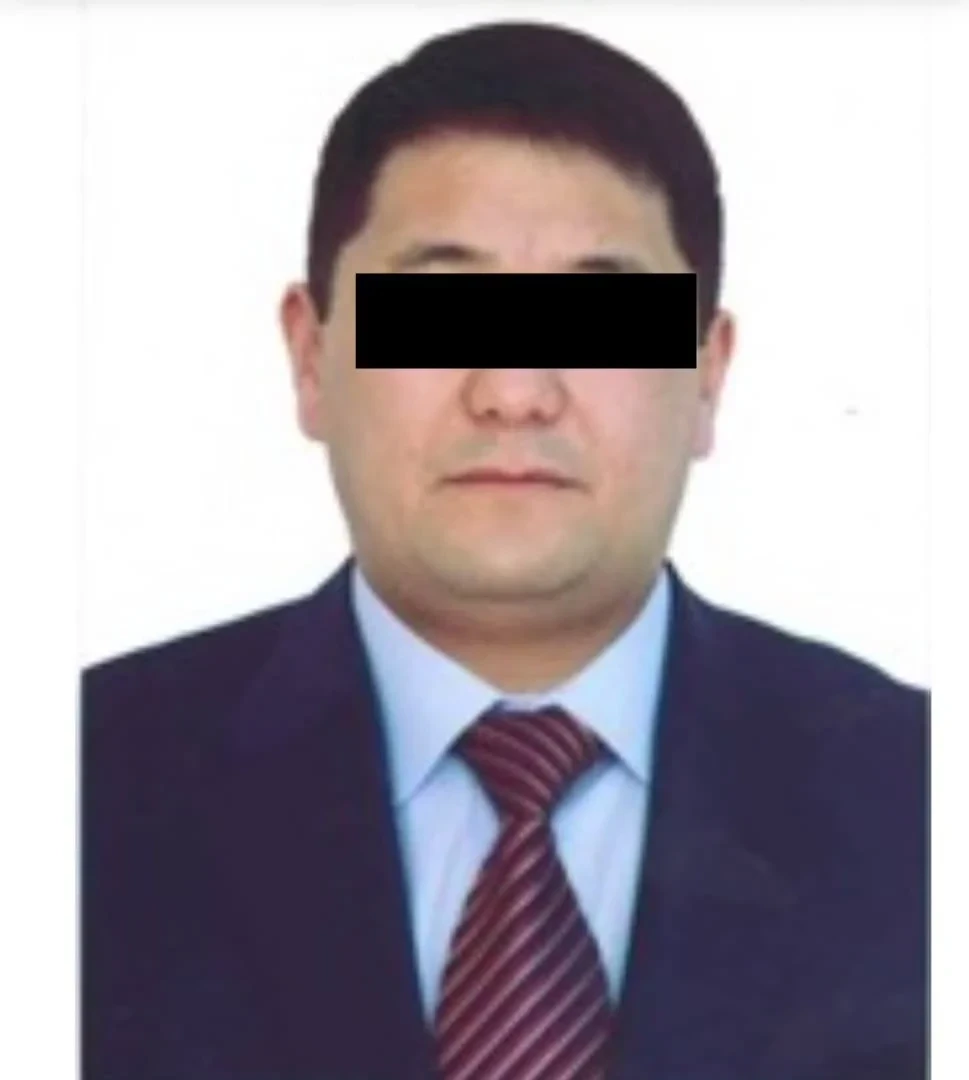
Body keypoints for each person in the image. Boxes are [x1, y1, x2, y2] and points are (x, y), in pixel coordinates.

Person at [81, 19, 928, 1080]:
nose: (516, 391)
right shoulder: (80, 783)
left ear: (707, 375)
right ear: (309, 356)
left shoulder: (918, 797)